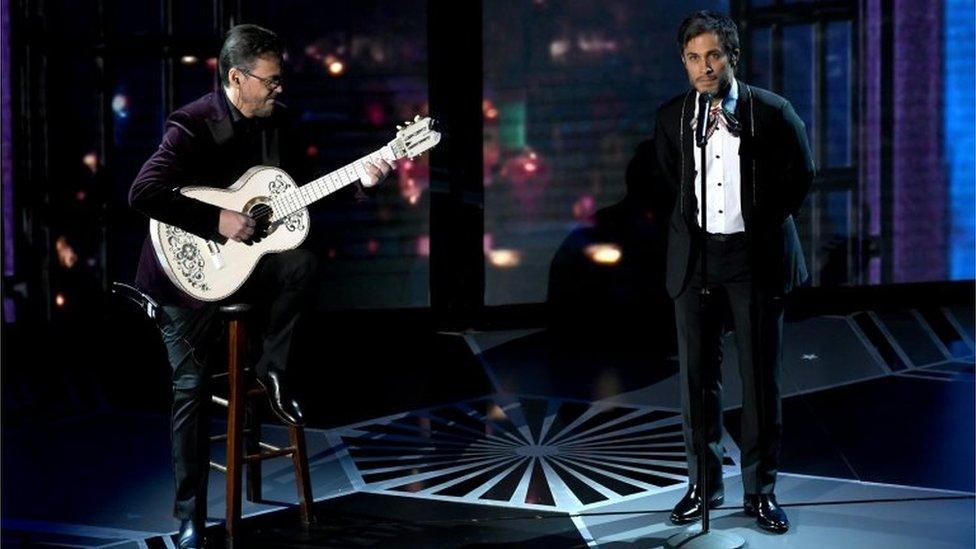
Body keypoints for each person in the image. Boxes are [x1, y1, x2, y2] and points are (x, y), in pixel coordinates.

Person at [128, 24, 392, 548]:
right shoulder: (192, 124)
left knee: (302, 265)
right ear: (235, 77)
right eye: (269, 81)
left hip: (246, 267)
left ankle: (273, 371)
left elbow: (307, 192)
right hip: (185, 275)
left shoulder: (281, 125)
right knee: (190, 390)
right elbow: (144, 192)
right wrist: (217, 220)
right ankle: (189, 517)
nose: (279, 89)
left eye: (279, 79)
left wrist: (361, 183)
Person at [653, 10, 814, 534]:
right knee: (697, 380)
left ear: (732, 58)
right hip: (697, 258)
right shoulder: (672, 118)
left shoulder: (772, 111)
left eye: (714, 56)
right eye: (694, 58)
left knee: (759, 378)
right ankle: (703, 484)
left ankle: (760, 490)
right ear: (684, 62)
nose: (704, 67)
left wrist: (763, 220)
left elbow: (802, 174)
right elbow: (672, 182)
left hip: (755, 259)